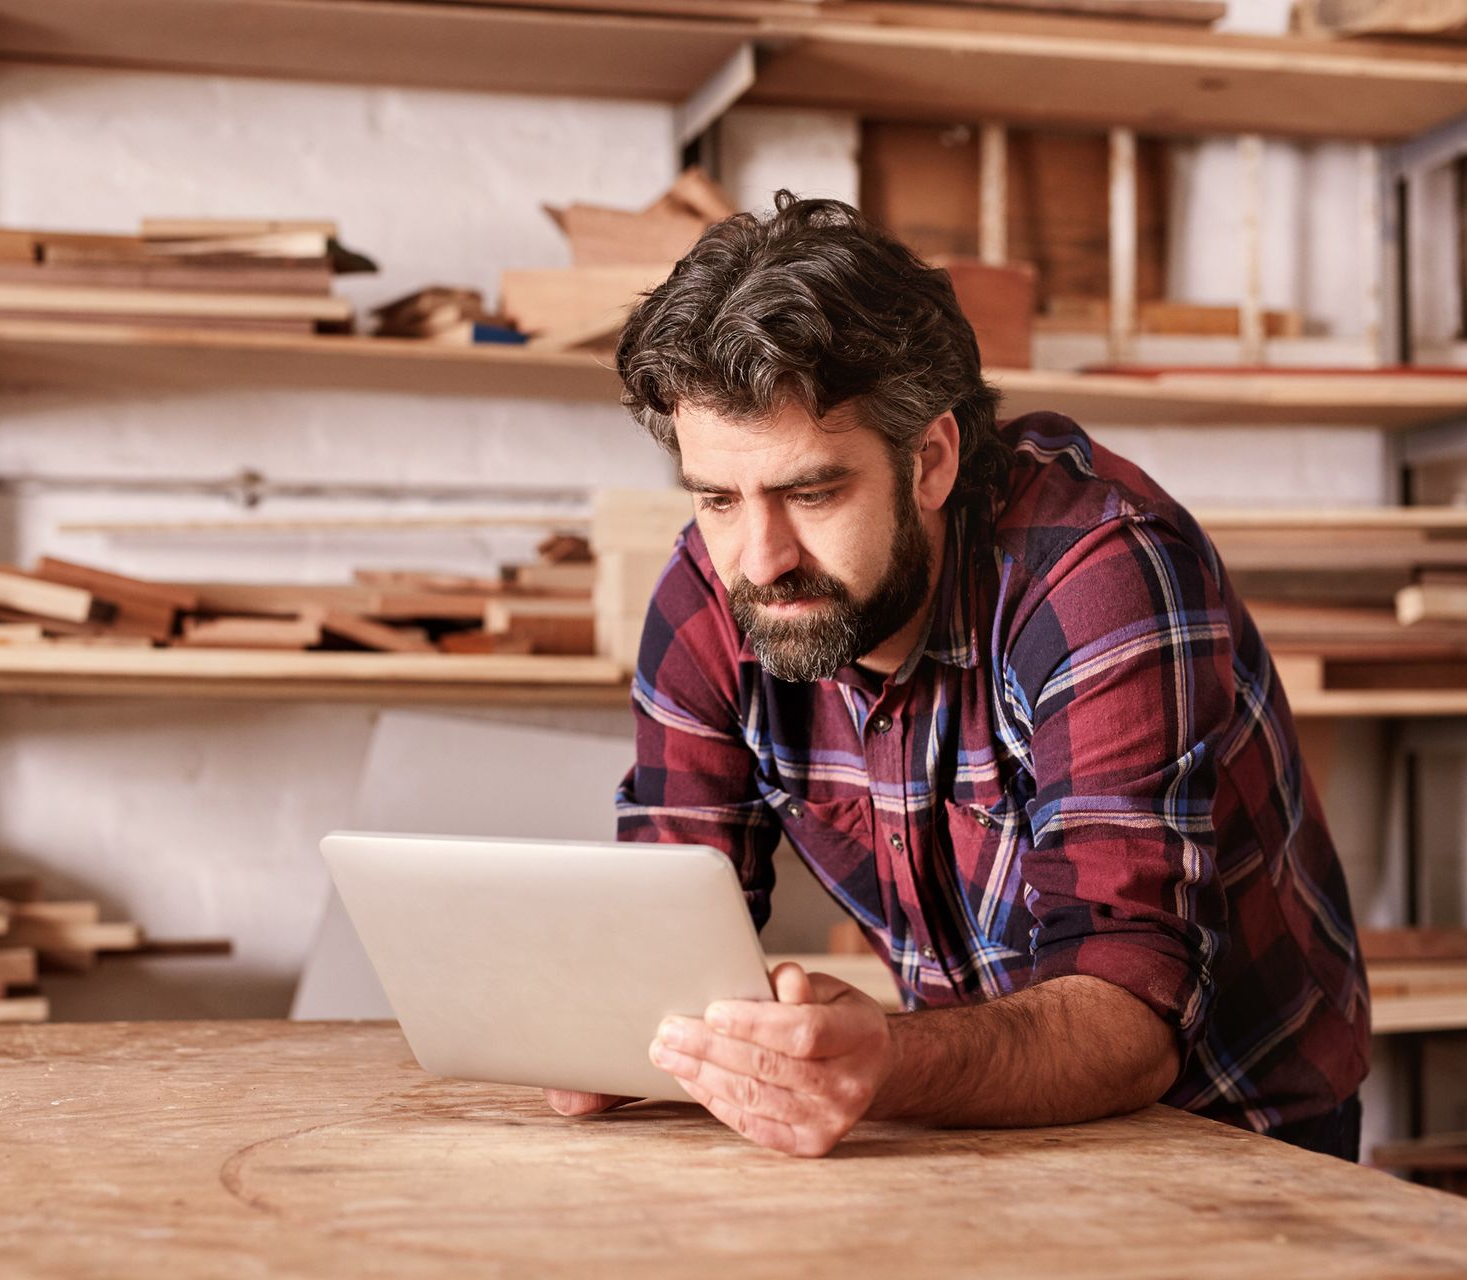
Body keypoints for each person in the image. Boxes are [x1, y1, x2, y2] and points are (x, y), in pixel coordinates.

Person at [546, 192, 1370, 1160]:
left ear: (930, 457)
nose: (759, 558)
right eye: (720, 498)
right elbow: (660, 939)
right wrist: (612, 1030)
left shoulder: (1098, 575)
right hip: (980, 1112)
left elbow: (1132, 1011)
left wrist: (887, 1058)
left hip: (1233, 1133)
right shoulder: (711, 591)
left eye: (811, 491)